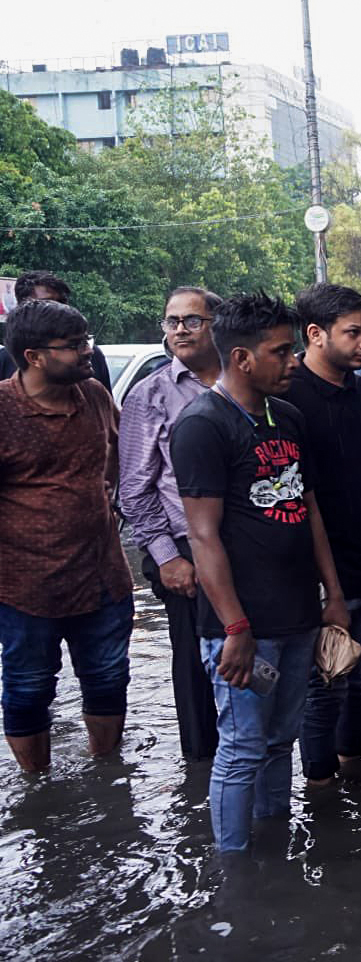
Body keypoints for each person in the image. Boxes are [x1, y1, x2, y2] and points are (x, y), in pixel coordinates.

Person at [169, 293, 351, 853]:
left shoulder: (287, 417)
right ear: (243, 358)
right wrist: (234, 630)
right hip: (245, 632)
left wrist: (334, 595)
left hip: (297, 620)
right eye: (281, 351)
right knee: (244, 743)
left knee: (281, 737)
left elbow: (310, 508)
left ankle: (273, 846)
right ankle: (234, 868)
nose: (294, 360)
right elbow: (203, 537)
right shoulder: (202, 425)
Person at [0, 300, 133, 773]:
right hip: (26, 586)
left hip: (103, 576)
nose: (86, 353)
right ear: (34, 356)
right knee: (29, 685)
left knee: (108, 678)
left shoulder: (94, 395)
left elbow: (121, 455)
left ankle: (106, 774)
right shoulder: (2, 409)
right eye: (74, 346)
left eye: (85, 341)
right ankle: (36, 786)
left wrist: (114, 502)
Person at [280, 283, 361, 788]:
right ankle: (320, 786)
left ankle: (356, 768)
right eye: (354, 333)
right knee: (326, 683)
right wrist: (325, 586)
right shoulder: (288, 400)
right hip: (320, 572)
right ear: (315, 334)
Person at [118, 286, 223, 760]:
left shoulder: (243, 381)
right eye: (171, 321)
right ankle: (202, 776)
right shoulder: (152, 393)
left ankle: (254, 761)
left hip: (246, 545)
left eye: (191, 320)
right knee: (196, 665)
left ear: (216, 325)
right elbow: (135, 487)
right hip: (184, 551)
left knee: (256, 657)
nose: (179, 330)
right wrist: (166, 558)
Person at [0, 271, 112, 389]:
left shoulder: (91, 357)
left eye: (62, 302)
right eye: (47, 303)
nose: (59, 309)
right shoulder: (5, 362)